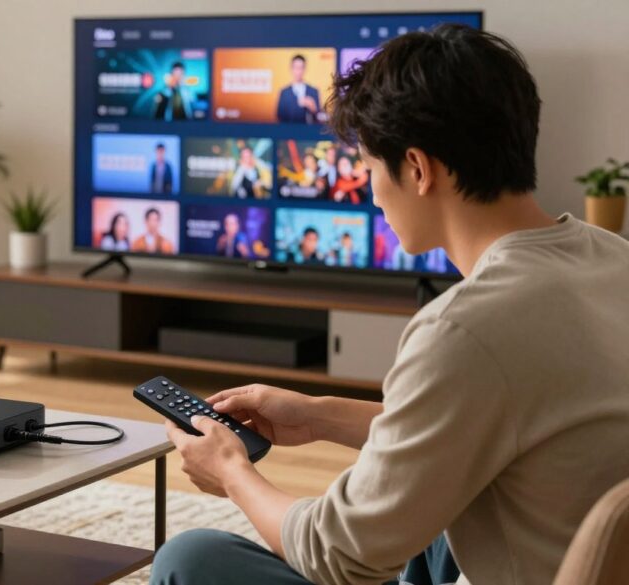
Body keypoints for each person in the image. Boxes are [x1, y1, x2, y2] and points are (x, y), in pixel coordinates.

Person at [151, 24, 629, 585]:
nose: (372, 192)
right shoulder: (611, 257)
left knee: (190, 560)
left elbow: (339, 556)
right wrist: (319, 415)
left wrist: (232, 472)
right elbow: (494, 426)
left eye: (372, 169)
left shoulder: (463, 331)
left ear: (418, 169)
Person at [276, 54, 321, 124]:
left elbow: (320, 119)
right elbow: (280, 117)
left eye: (301, 68)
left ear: (305, 69)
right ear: (291, 69)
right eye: (296, 67)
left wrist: (313, 108)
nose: (298, 71)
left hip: (309, 133)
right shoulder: (284, 93)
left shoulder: (313, 91)